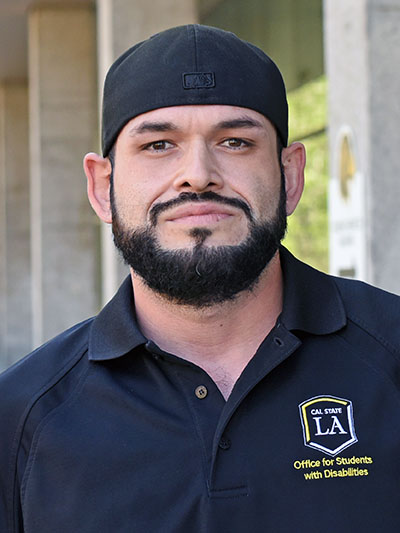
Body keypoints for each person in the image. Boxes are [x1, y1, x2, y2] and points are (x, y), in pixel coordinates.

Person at [1, 24, 400, 533]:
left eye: (234, 142)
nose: (197, 173)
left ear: (291, 176)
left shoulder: (392, 353)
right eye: (159, 145)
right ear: (103, 188)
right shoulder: (20, 417)